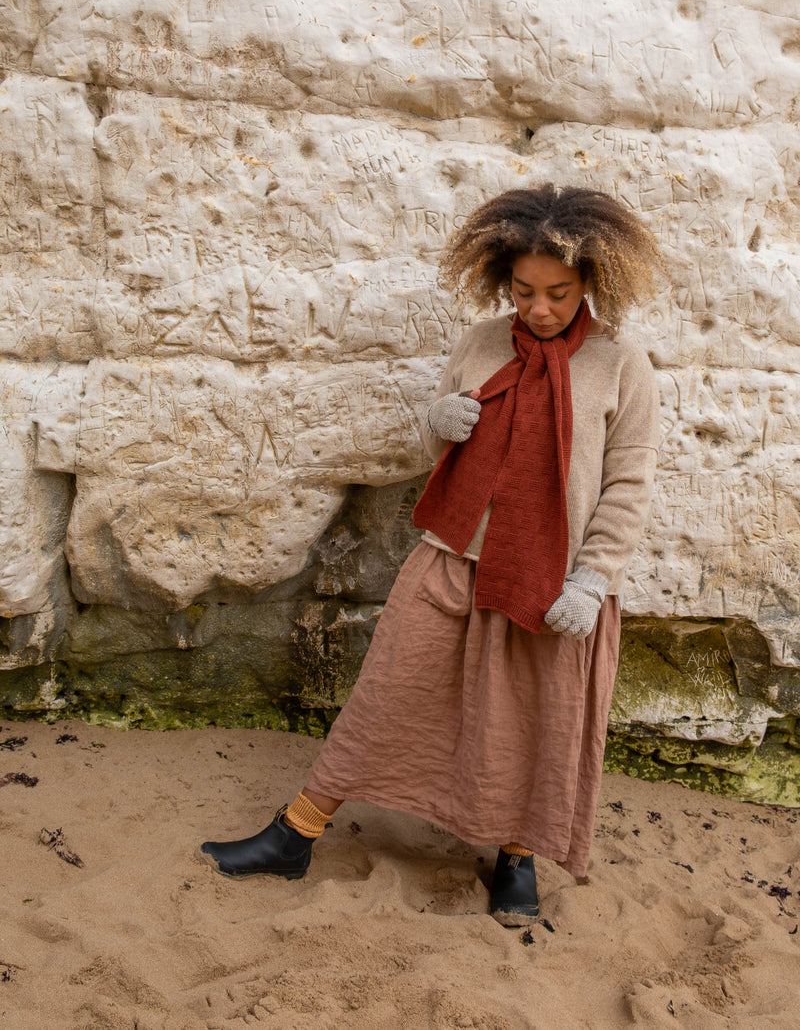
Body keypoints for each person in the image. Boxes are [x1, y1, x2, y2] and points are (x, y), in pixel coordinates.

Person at [200, 184, 663, 927]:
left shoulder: (621, 363)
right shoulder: (481, 342)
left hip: (553, 583)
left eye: (558, 293)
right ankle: (295, 833)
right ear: (502, 279)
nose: (539, 309)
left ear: (591, 284)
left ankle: (517, 857)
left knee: (532, 722)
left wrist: (593, 576)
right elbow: (440, 448)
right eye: (524, 291)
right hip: (452, 558)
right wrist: (438, 422)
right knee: (382, 696)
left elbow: (628, 481)